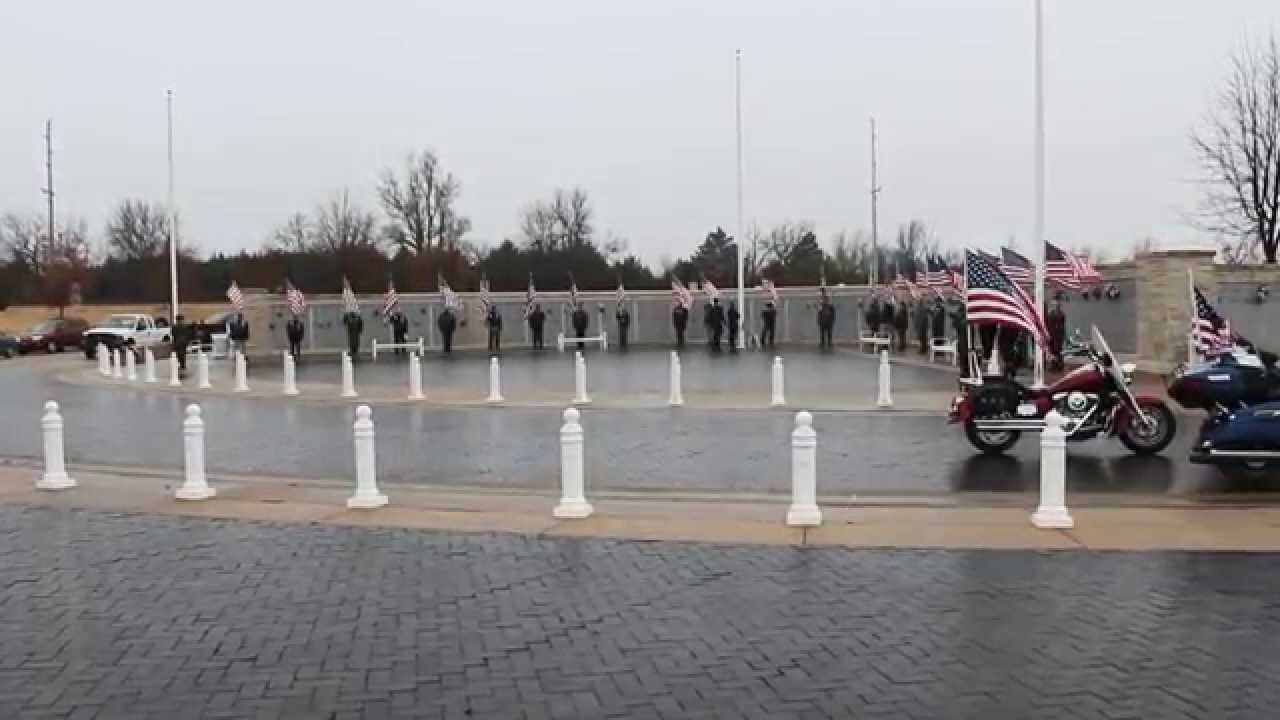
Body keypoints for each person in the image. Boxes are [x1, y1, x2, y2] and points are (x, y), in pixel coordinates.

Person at [1047, 297, 1067, 371]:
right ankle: (1056, 365)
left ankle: (1058, 365)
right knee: (1054, 351)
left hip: (1057, 335)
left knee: (1057, 351)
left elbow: (1061, 324)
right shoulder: (1053, 314)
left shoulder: (1060, 314)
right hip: (1053, 334)